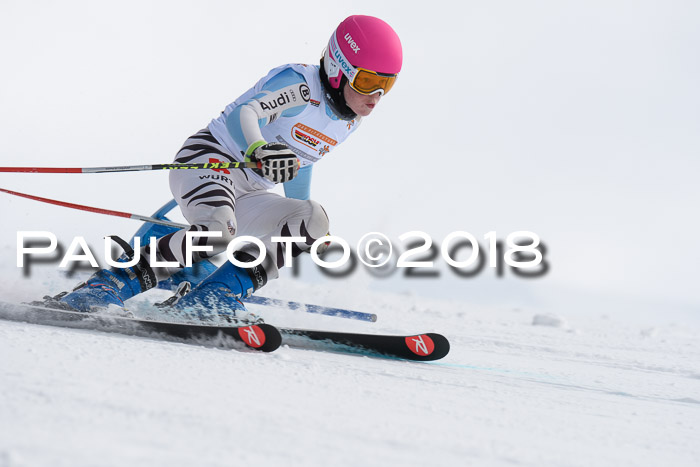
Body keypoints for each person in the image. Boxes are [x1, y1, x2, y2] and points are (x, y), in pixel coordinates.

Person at [51, 15, 403, 323]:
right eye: (368, 81)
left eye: (387, 85)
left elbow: (302, 163)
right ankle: (108, 284)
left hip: (250, 191)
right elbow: (244, 114)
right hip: (209, 159)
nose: (375, 96)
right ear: (338, 70)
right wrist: (258, 148)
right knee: (217, 230)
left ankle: (212, 299)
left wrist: (309, 231)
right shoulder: (299, 85)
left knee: (314, 220)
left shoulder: (348, 121)